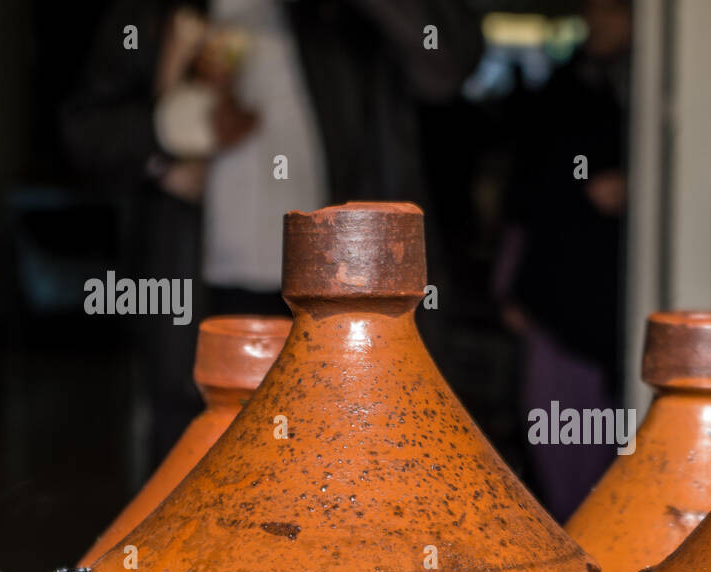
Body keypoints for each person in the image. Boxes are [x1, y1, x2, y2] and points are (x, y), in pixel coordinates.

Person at [63, 0, 483, 462]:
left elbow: (447, 66)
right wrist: (169, 132)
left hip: (331, 305)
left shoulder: (337, 20)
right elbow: (84, 131)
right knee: (197, 475)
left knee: (332, 471)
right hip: (200, 301)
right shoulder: (153, 14)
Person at [495, 0, 631, 520]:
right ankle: (580, 559)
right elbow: (524, 195)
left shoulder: (657, 90)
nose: (604, 20)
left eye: (617, 10)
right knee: (560, 431)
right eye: (597, 8)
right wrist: (510, 283)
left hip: (621, 294)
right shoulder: (561, 92)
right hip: (559, 294)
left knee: (619, 437)